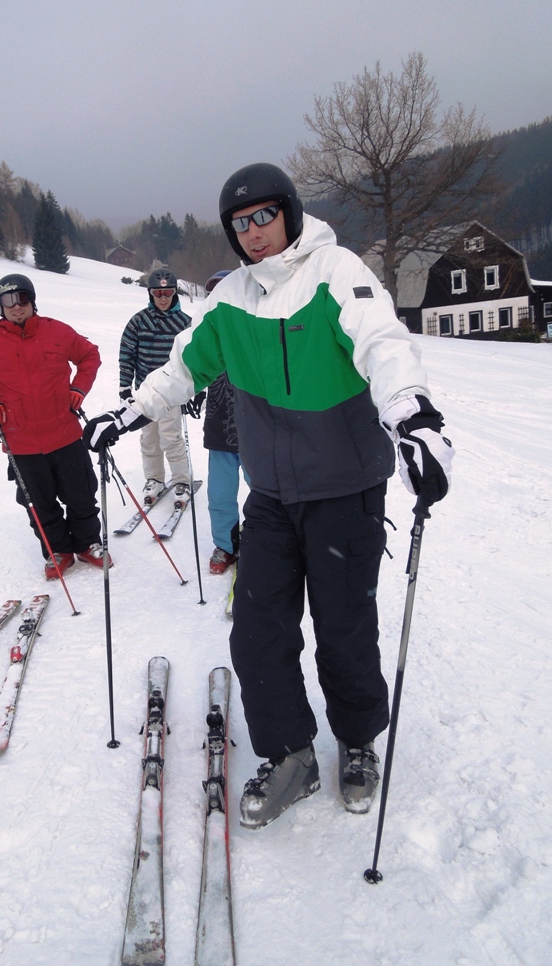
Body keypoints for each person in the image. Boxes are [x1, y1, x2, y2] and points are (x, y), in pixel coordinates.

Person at [83, 163, 453, 828]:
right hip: (273, 496)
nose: (253, 232)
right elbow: (184, 365)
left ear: (288, 212)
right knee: (257, 632)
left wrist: (413, 417)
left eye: (263, 216)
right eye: (240, 223)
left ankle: (358, 740)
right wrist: (130, 413)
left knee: (343, 628)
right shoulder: (231, 298)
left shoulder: (335, 271)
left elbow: (383, 343)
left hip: (345, 489)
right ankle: (290, 756)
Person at [0, 272, 108, 582]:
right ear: (0, 306)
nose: (16, 306)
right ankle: (57, 551)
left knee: (81, 494)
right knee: (39, 503)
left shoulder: (57, 331)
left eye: (22, 298)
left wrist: (79, 388)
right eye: (8, 300)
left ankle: (87, 543)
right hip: (21, 441)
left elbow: (89, 355)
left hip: (64, 432)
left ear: (32, 301)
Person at [118, 267, 194, 509]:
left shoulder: (185, 323)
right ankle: (155, 479)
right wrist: (124, 387)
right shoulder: (139, 321)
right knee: (149, 439)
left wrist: (196, 390)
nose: (163, 298)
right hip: (145, 394)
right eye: (158, 293)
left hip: (172, 393)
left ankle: (181, 481)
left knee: (171, 438)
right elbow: (127, 354)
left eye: (168, 292)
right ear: (150, 294)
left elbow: (194, 358)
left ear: (175, 293)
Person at [203, 270, 245, 575]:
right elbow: (190, 368)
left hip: (257, 429)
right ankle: (226, 545)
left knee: (266, 491)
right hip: (219, 427)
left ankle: (269, 539)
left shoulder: (255, 326)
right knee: (220, 493)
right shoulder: (205, 333)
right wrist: (192, 392)